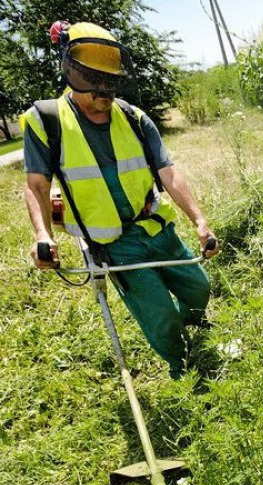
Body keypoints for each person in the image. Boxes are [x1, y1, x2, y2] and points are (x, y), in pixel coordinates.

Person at [22, 21, 220, 379]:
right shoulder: (45, 120)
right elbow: (36, 184)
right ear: (70, 70)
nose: (102, 92)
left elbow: (168, 172)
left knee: (199, 287)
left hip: (156, 227)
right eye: (92, 81)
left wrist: (199, 220)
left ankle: (196, 326)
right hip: (114, 244)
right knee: (160, 316)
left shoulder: (134, 118)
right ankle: (183, 367)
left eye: (109, 81)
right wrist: (44, 235)